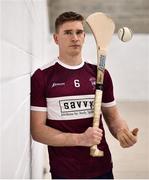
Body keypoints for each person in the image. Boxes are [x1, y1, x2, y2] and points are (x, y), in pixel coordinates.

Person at [30, 11, 138, 179]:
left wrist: (122, 132)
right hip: (65, 172)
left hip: (102, 169)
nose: (75, 38)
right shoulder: (42, 77)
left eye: (79, 32)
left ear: (85, 37)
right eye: (68, 32)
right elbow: (38, 131)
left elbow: (113, 117)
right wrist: (80, 139)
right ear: (56, 38)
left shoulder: (99, 73)